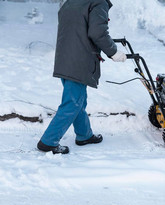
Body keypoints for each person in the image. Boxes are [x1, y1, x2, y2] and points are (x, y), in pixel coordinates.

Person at [37, 0, 126, 154]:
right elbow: (97, 32)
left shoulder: (71, 2)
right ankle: (48, 141)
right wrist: (113, 52)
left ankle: (84, 135)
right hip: (79, 59)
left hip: (65, 58)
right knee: (72, 103)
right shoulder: (98, 3)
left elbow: (78, 28)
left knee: (78, 100)